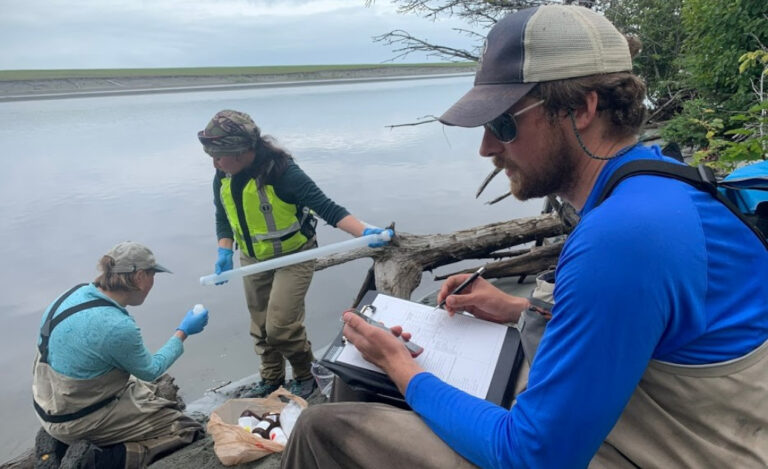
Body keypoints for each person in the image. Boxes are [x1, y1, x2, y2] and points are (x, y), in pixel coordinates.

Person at [282, 5, 768, 468]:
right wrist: (521, 309)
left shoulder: (624, 237)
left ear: (581, 108)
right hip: (665, 428)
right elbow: (658, 328)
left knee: (323, 427)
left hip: (672, 453)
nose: (486, 147)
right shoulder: (658, 183)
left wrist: (402, 368)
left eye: (503, 123)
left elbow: (534, 458)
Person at [197, 110, 391, 399]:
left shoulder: (284, 173)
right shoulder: (224, 173)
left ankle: (304, 373)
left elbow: (327, 207)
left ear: (242, 152)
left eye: (219, 155)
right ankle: (271, 378)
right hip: (252, 259)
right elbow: (222, 215)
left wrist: (363, 231)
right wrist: (224, 251)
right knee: (261, 326)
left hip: (294, 255)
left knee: (281, 325)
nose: (214, 162)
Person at [32, 241, 208, 468]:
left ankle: (55, 446)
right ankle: (96, 460)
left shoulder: (73, 294)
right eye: (153, 275)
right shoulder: (115, 326)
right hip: (76, 418)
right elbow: (151, 369)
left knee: (144, 390)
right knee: (186, 430)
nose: (153, 283)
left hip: (49, 402)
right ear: (140, 277)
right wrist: (183, 332)